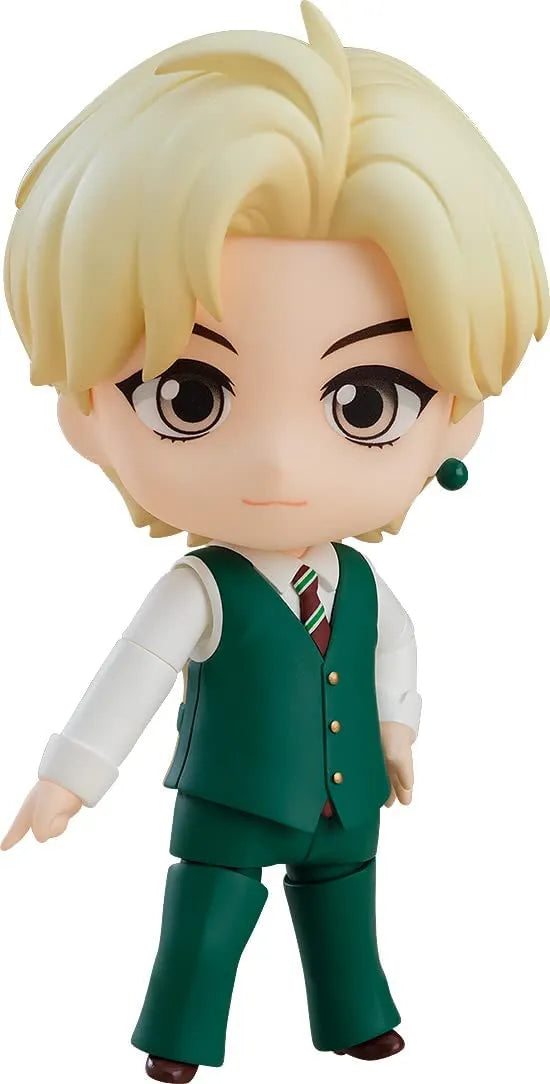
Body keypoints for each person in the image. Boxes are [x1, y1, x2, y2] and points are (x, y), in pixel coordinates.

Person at [2, 3, 548, 1081]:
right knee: (207, 912)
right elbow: (134, 672)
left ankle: (357, 1014)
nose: (280, 461)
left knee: (346, 906)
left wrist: (399, 727)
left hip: (345, 799)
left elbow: (394, 645)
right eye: (190, 394)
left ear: (457, 418)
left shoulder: (360, 581)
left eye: (366, 400)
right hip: (234, 799)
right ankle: (179, 1037)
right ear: (87, 412)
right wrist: (71, 778)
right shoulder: (200, 587)